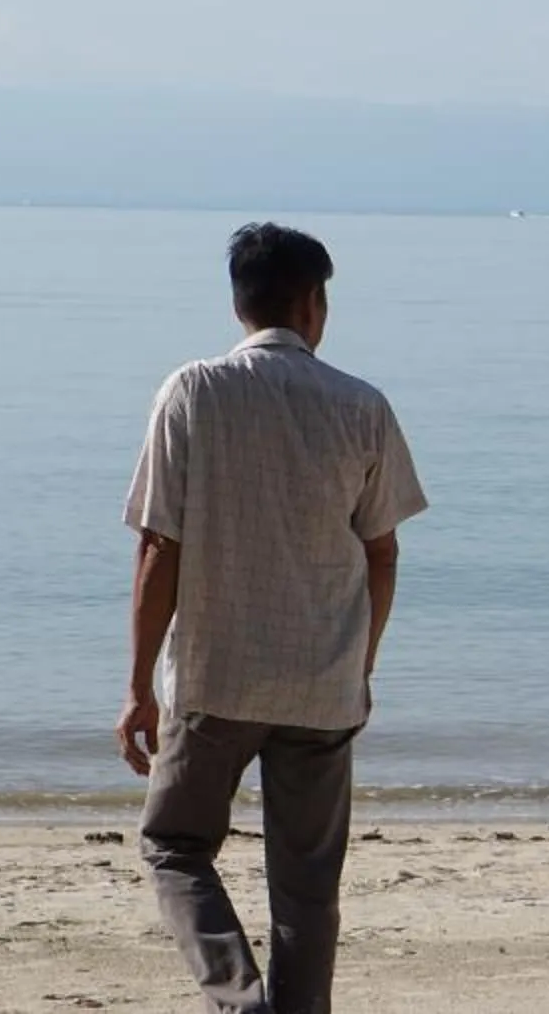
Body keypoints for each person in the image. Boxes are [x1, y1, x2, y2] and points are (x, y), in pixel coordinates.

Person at [117, 222, 429, 1014]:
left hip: (216, 678)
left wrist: (137, 687)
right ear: (315, 305)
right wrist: (360, 666)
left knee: (175, 846)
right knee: (307, 888)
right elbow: (382, 552)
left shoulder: (192, 391)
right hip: (323, 683)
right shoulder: (363, 406)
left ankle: (238, 997)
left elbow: (160, 548)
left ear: (238, 305)